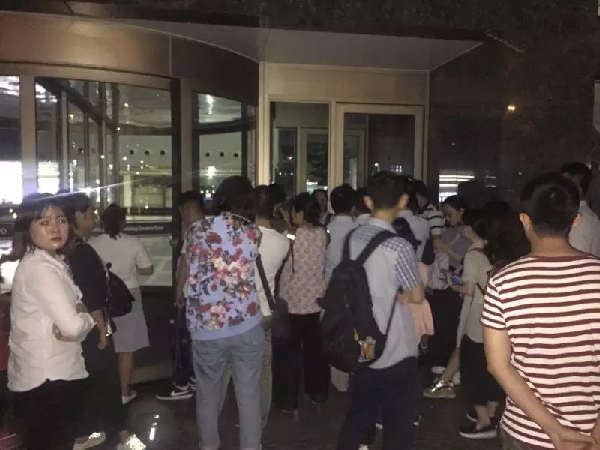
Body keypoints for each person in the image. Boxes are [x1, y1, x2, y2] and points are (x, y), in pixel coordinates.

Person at [482, 172, 600, 450]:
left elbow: (498, 365)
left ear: (524, 220)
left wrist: (554, 429)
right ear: (576, 220)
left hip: (528, 432)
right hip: (591, 432)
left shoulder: (503, 282)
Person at [337, 172, 424, 450]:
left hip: (362, 339)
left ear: (367, 201)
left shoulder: (352, 237)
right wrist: (400, 294)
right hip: (395, 344)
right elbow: (417, 295)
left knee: (359, 413)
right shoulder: (399, 246)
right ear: (403, 200)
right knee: (398, 423)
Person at [8, 194, 95, 450]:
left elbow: (72, 322)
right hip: (49, 379)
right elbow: (73, 325)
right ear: (28, 228)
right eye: (44, 222)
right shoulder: (41, 268)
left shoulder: (49, 261)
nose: (56, 228)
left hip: (45, 374)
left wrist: (78, 317)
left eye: (61, 220)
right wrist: (88, 318)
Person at [185, 176, 264, 450]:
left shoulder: (195, 230)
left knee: (207, 394)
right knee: (249, 395)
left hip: (205, 326)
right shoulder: (253, 233)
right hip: (246, 323)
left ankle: (208, 446)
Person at [63, 193, 144, 450]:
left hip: (77, 326)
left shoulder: (67, 251)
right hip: (92, 326)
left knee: (91, 380)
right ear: (77, 216)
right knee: (106, 379)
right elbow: (92, 296)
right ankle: (122, 436)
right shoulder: (82, 251)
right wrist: (102, 329)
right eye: (90, 213)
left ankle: (85, 433)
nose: (94, 218)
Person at [219, 185, 290, 428]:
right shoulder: (282, 242)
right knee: (262, 370)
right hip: (263, 313)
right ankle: (257, 420)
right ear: (275, 208)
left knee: (224, 368)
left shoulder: (234, 237)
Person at [89, 204, 154, 405]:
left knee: (103, 345)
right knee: (127, 348)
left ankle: (102, 392)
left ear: (103, 222)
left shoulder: (92, 244)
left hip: (100, 297)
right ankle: (124, 393)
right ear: (123, 222)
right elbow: (148, 269)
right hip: (128, 297)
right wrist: (132, 270)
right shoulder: (133, 243)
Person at [447, 208, 503, 439]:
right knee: (492, 367)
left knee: (472, 368)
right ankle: (491, 413)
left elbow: (469, 289)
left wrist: (453, 285)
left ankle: (483, 422)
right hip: (497, 317)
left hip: (478, 317)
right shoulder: (497, 250)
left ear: (470, 228)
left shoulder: (473, 254)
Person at [274, 192, 329, 415]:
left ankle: (288, 401)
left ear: (298, 213)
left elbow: (284, 254)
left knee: (289, 353)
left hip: (293, 301)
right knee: (315, 352)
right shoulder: (323, 234)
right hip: (315, 300)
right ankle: (318, 394)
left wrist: (286, 222)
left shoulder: (290, 236)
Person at [156, 190, 204, 401]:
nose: (182, 217)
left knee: (183, 341)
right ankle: (195, 380)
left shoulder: (193, 231)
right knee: (198, 342)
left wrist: (178, 293)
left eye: (182, 212)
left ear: (189, 209)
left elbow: (184, 264)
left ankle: (183, 384)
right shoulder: (213, 228)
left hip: (191, 296)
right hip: (206, 298)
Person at [325, 184, 359, 393]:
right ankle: (358, 371)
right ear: (353, 207)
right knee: (356, 332)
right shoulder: (360, 230)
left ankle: (339, 381)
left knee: (334, 334)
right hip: (355, 291)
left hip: (331, 290)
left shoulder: (324, 229)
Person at [561, 162, 600, 256]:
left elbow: (575, 259)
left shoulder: (579, 219)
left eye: (565, 183)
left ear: (578, 188)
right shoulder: (588, 215)